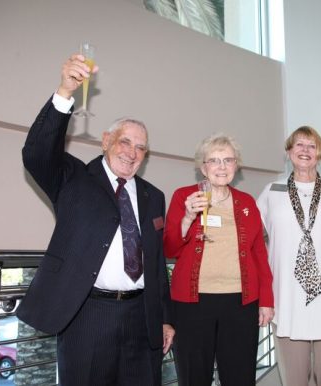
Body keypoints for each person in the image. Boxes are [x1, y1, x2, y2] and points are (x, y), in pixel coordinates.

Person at [17, 53, 174, 386]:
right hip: (87, 317)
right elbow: (36, 154)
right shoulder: (73, 178)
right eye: (125, 142)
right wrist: (64, 92)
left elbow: (157, 264)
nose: (132, 152)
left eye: (141, 148)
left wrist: (165, 320)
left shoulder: (154, 196)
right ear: (106, 141)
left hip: (141, 320)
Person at [256, 126, 321, 386]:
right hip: (287, 302)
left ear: (320, 154)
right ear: (289, 152)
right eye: (299, 145)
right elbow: (249, 241)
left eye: (311, 146)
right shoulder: (272, 191)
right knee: (294, 381)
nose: (305, 151)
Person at [163, 133, 274, 386]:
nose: (221, 167)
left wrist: (266, 300)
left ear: (236, 165)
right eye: (214, 160)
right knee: (194, 376)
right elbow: (170, 248)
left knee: (240, 376)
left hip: (240, 303)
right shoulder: (184, 197)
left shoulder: (247, 202)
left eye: (228, 160)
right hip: (192, 304)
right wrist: (188, 218)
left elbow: (259, 254)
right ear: (203, 167)